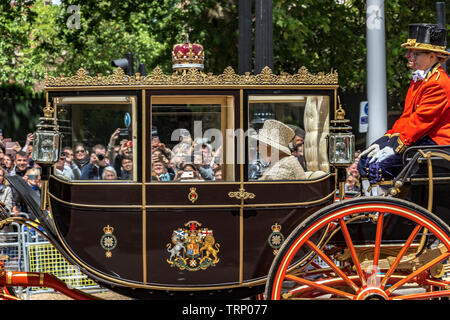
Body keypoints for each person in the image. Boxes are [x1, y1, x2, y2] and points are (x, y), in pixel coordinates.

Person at [358, 24, 450, 189]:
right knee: (365, 161)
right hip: (423, 140)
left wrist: (394, 148)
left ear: (432, 56)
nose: (408, 56)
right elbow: (407, 117)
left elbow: (420, 121)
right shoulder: (421, 79)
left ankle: (387, 207)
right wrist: (384, 141)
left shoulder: (438, 83)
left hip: (438, 145)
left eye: (415, 53)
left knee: (381, 167)